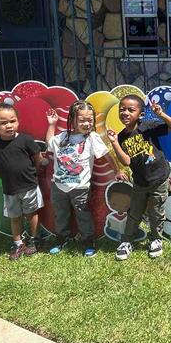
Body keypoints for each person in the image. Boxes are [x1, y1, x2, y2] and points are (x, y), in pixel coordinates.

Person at [105, 94, 171, 261]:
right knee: (134, 212)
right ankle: (126, 242)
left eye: (131, 110)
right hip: (139, 181)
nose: (125, 113)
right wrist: (114, 142)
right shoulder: (121, 136)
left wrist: (161, 114)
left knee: (156, 212)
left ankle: (156, 240)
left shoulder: (148, 126)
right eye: (122, 109)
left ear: (141, 114)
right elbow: (126, 161)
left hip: (159, 178)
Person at [45, 101, 109, 258]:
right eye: (82, 120)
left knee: (83, 216)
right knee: (60, 214)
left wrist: (118, 170)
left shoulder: (92, 138)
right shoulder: (62, 136)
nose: (87, 123)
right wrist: (52, 125)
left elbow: (105, 154)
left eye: (90, 120)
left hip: (80, 187)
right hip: (59, 186)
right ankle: (62, 239)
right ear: (73, 120)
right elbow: (49, 144)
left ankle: (88, 242)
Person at [0, 102, 45, 260]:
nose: (9, 126)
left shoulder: (25, 140)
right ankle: (18, 243)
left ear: (18, 121)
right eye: (3, 123)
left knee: (32, 213)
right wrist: (1, 176)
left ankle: (35, 240)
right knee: (15, 217)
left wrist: (36, 171)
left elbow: (38, 157)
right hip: (10, 189)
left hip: (29, 186)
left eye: (12, 121)